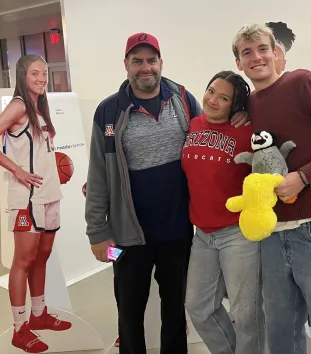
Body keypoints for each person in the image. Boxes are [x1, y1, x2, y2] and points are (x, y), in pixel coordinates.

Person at [85, 32, 248, 354]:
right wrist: (97, 232)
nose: (145, 68)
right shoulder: (108, 111)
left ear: (161, 63)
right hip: (127, 237)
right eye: (137, 61)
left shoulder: (183, 99)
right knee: (128, 312)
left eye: (151, 60)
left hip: (178, 233)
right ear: (126, 66)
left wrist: (241, 115)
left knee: (176, 310)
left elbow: (212, 127)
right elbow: (98, 174)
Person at [232, 23, 311, 354]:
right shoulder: (251, 106)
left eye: (263, 49)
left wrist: (306, 176)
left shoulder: (303, 82)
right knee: (282, 337)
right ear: (239, 63)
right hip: (272, 234)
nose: (256, 57)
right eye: (247, 52)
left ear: (277, 54)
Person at [0, 54, 71, 353]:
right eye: (35, 73)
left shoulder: (39, 107)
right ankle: (20, 329)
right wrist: (15, 169)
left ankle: (39, 314)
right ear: (22, 76)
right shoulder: (18, 105)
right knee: (23, 261)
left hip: (48, 195)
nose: (41, 78)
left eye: (44, 72)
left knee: (41, 257)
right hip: (27, 199)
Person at [182, 70, 265, 354]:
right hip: (202, 235)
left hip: (238, 234)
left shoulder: (247, 130)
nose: (213, 100)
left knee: (246, 314)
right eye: (211, 91)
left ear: (236, 105)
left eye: (224, 97)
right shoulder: (192, 124)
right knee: (198, 307)